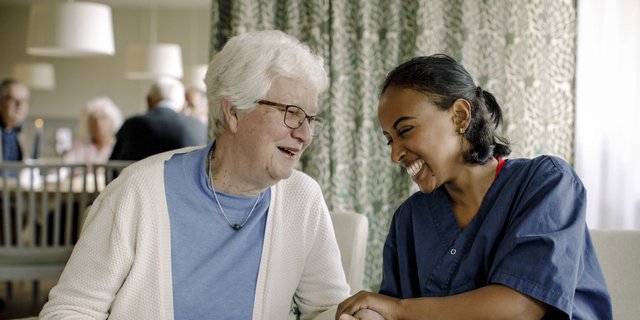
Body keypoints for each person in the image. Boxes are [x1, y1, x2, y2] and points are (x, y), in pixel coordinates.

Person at [40, 30, 350, 319]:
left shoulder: (303, 198)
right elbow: (70, 310)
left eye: (310, 118)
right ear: (233, 113)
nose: (306, 134)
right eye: (292, 113)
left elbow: (324, 308)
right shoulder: (138, 192)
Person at [336, 54, 612, 320]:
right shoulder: (409, 219)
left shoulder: (547, 182)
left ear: (459, 116)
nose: (395, 155)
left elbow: (521, 308)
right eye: (389, 140)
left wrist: (396, 310)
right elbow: (389, 309)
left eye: (405, 130)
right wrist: (370, 314)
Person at [109, 76, 207, 161]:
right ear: (183, 106)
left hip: (138, 182)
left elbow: (112, 168)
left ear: (148, 101)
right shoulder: (198, 126)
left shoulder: (130, 125)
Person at [63, 96, 123, 168]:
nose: (98, 123)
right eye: (94, 119)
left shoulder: (120, 145)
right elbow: (65, 168)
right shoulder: (79, 145)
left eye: (103, 117)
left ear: (113, 120)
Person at [0, 79, 39, 162]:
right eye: (13, 99)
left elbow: (33, 164)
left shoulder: (30, 130)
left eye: (24, 100)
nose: (20, 105)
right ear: (1, 101)